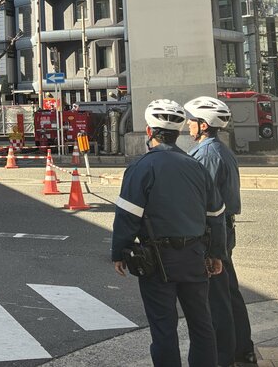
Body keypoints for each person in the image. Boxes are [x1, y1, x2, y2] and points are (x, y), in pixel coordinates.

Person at [111, 99, 227, 367]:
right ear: (178, 132)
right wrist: (216, 253)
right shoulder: (196, 166)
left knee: (164, 328)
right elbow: (216, 215)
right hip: (195, 256)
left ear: (149, 132)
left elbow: (127, 216)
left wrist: (119, 252)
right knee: (202, 324)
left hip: (157, 261)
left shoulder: (141, 168)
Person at [185, 96, 256, 367]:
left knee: (216, 298)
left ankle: (223, 356)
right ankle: (242, 349)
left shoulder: (206, 155)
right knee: (228, 291)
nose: (188, 125)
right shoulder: (220, 149)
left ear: (203, 125)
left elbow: (204, 201)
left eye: (192, 121)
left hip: (212, 232)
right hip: (224, 228)